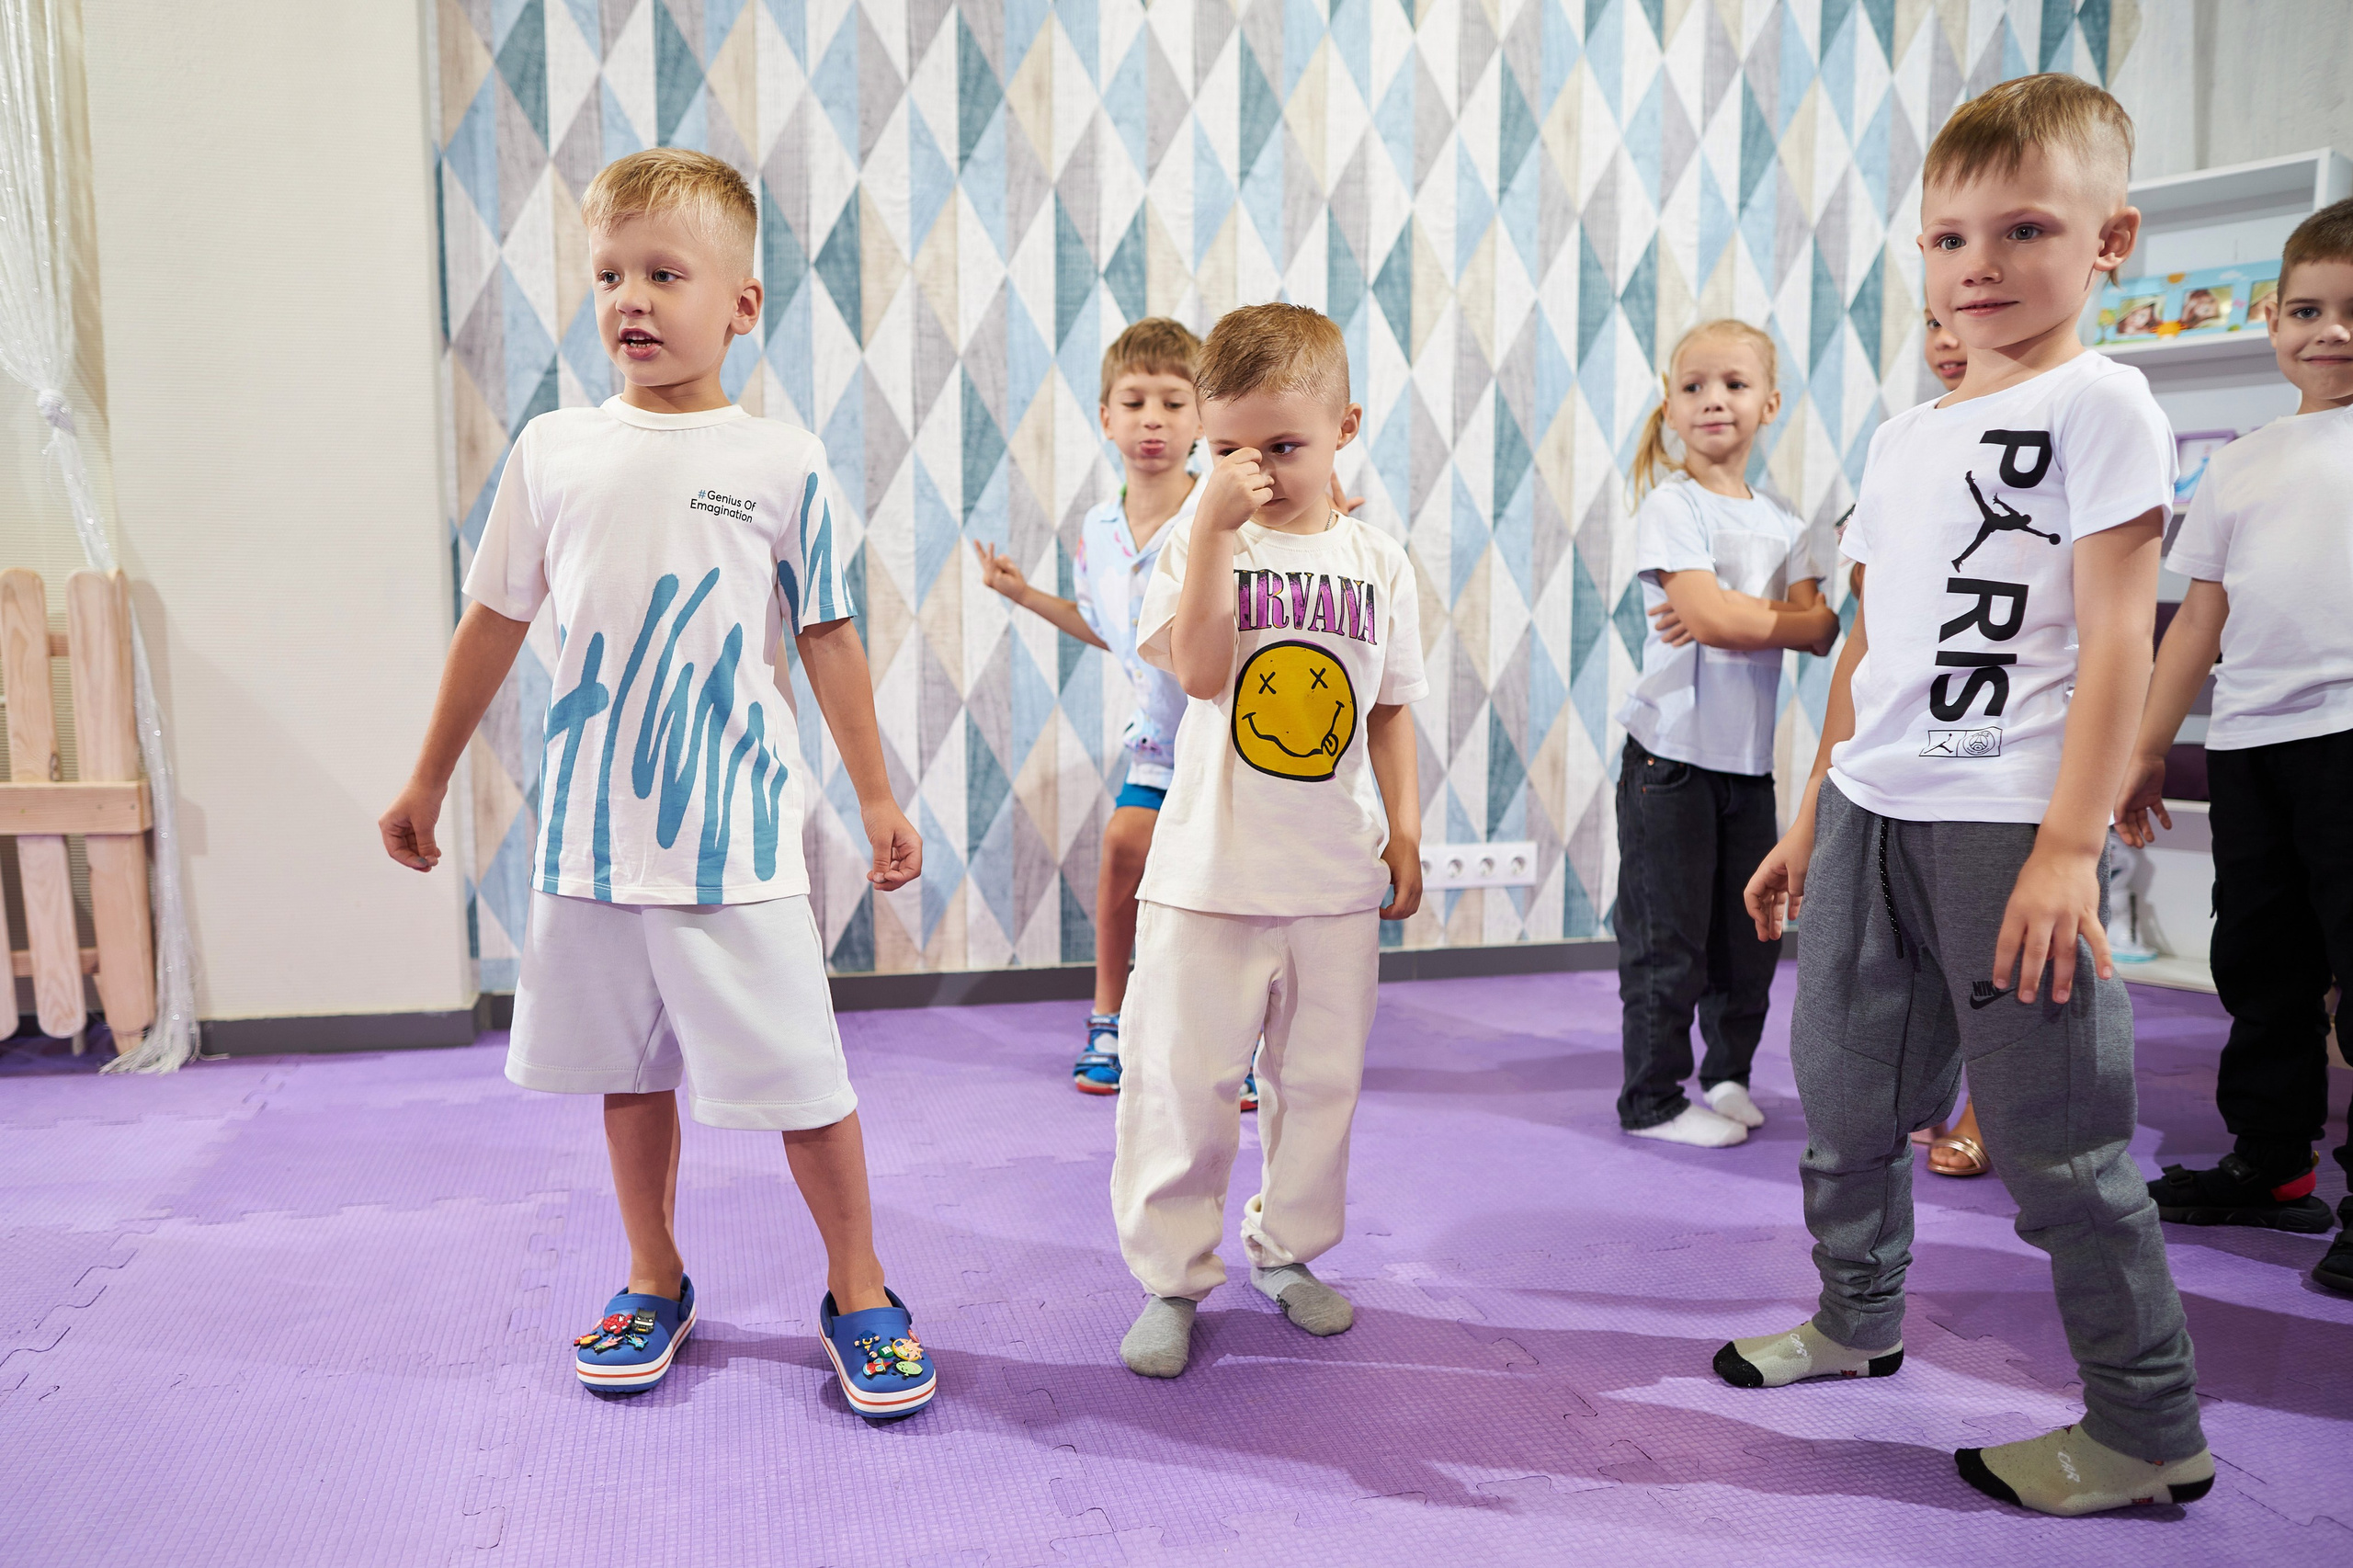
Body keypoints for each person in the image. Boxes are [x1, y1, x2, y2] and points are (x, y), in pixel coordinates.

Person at [377, 149, 938, 1422]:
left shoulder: (784, 460)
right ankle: (653, 1273)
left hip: (735, 832)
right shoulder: (554, 449)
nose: (631, 299)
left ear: (741, 303)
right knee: (632, 1071)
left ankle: (860, 1285)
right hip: (593, 835)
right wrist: (427, 775)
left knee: (807, 1074)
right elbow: (493, 623)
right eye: (611, 275)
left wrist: (876, 795)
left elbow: (829, 634)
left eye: (665, 274)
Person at [1724, 75, 2213, 1515]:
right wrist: (1812, 813)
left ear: (2110, 241)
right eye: (1947, 240)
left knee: (2059, 1140)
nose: (1978, 266)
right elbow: (1871, 645)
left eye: (2022, 229)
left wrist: (2070, 843)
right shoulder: (1903, 434)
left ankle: (2144, 1424)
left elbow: (2123, 630)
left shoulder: (2104, 399)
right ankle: (1856, 1317)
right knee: (1845, 1097)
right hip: (1872, 809)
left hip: (2009, 823)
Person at [1108, 302, 1426, 1378]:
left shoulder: (1379, 560)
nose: (1256, 470)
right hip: (1206, 874)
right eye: (1227, 447)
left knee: (1320, 1080)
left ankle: (1287, 1252)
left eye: (1282, 445)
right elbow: (1198, 673)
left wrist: (1408, 830)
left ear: (1344, 428)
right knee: (1182, 1080)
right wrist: (1204, 526)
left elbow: (1388, 708)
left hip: (1332, 877)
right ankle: (1169, 1276)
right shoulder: (1202, 546)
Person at [2116, 198, 2353, 1296]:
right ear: (2270, 319)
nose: (2329, 331)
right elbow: (2196, 621)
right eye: (2305, 309)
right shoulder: (2244, 459)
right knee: (2259, 961)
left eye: (2352, 311)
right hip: (2254, 740)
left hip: (2348, 738)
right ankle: (2272, 1161)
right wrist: (2145, 747)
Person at [972, 319, 1233, 1099]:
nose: (1153, 417)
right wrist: (1025, 597)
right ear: (1106, 418)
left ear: (1201, 420)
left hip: (1223, 739)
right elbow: (1115, 632)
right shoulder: (1099, 531)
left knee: (1224, 886)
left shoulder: (1216, 515)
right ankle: (1108, 1019)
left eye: (1173, 401)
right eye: (1135, 400)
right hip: (1158, 742)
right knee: (1123, 849)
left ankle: (1233, 1039)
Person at [1612, 321, 1836, 1148]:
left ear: (1769, 403)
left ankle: (1728, 1073)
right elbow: (1716, 616)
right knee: (1667, 943)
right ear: (1670, 406)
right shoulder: (1672, 506)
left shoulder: (1788, 522)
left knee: (1750, 938)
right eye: (1696, 386)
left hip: (1747, 765)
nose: (1715, 400)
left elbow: (1823, 630)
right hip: (1667, 761)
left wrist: (1740, 617)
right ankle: (1653, 1100)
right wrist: (1743, 615)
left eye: (1736, 385)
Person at [1911, 308, 1995, 1180]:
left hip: (2013, 735)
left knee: (1996, 948)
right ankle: (1937, 1092)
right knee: (1932, 937)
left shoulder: (2079, 414)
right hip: (1924, 731)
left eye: (1959, 324)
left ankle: (1989, 1107)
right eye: (1932, 322)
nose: (1946, 339)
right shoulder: (1910, 440)